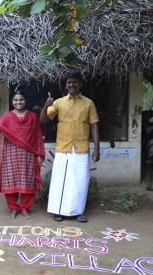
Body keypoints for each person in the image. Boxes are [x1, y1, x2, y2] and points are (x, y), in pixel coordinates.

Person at [40, 71, 100, 223]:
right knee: (60, 180)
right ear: (66, 85)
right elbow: (43, 120)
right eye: (69, 82)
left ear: (81, 84)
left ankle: (78, 211)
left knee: (80, 180)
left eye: (74, 82)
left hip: (81, 147)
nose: (71, 84)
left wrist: (97, 148)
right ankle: (58, 210)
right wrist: (46, 105)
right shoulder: (59, 102)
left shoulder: (89, 103)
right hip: (63, 146)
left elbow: (94, 125)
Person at [0, 90, 45, 219]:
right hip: (11, 153)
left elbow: (37, 135)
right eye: (15, 100)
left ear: (25, 101)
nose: (18, 102)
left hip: (28, 153)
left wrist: (39, 154)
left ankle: (25, 208)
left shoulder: (32, 116)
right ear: (12, 101)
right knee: (10, 181)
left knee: (28, 181)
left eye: (21, 100)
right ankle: (13, 208)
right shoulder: (7, 116)